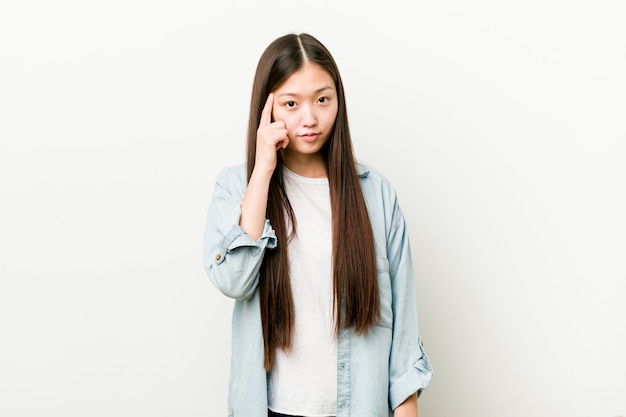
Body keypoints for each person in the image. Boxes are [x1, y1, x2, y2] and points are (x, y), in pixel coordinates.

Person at [203, 33, 432, 417]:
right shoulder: (236, 187)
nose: (309, 118)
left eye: (322, 100)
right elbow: (233, 280)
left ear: (338, 101)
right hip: (272, 409)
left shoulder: (375, 195)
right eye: (291, 104)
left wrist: (406, 408)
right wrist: (262, 171)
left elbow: (404, 331)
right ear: (267, 109)